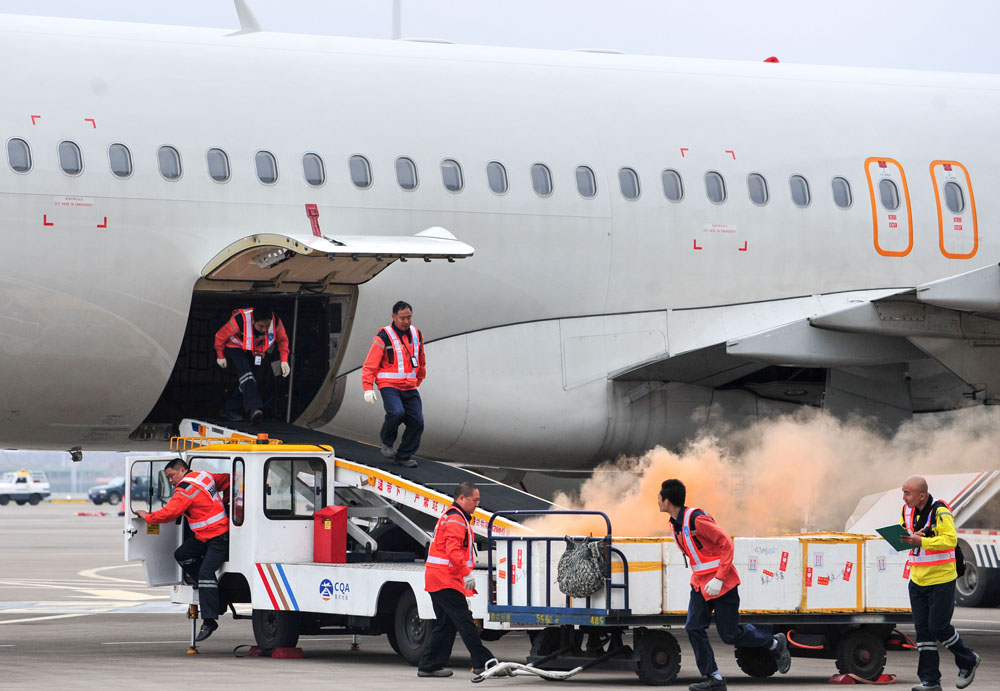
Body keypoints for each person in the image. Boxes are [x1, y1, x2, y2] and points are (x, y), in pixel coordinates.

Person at [658, 479, 790, 691]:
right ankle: (714, 678)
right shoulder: (674, 525)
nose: (657, 501)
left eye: (659, 497)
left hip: (723, 585)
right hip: (701, 586)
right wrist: (702, 581)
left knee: (729, 635)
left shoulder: (696, 520)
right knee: (693, 628)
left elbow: (726, 543)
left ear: (667, 500)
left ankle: (775, 643)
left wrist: (719, 578)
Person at [136, 458, 230, 642]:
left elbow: (168, 513)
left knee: (205, 573)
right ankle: (206, 588)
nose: (170, 480)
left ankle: (210, 620)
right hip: (205, 535)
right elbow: (229, 480)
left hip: (218, 537)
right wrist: (226, 503)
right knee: (182, 555)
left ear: (182, 471)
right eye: (168, 477)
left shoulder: (184, 490)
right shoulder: (204, 477)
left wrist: (147, 516)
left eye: (171, 475)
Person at [900, 475, 980, 691]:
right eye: (903, 492)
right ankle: (930, 681)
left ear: (922, 495)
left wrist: (922, 540)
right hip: (917, 578)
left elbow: (950, 540)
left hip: (941, 579)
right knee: (923, 633)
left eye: (907, 493)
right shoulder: (906, 510)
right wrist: (905, 537)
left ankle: (968, 659)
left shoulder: (940, 510)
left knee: (939, 627)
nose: (904, 497)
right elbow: (906, 533)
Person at [417, 482, 495, 678]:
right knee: (465, 622)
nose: (477, 504)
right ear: (462, 498)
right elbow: (453, 550)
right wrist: (466, 572)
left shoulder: (453, 516)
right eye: (474, 500)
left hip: (439, 578)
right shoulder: (456, 520)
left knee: (445, 624)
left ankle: (429, 665)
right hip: (446, 579)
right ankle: (483, 663)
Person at [361, 300, 425, 468]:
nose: (406, 322)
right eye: (402, 318)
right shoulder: (383, 336)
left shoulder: (417, 334)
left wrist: (419, 378)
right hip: (389, 385)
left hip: (410, 386)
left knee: (417, 421)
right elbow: (370, 364)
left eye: (409, 318)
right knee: (396, 412)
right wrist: (368, 388)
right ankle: (387, 442)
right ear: (394, 317)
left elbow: (421, 360)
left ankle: (404, 455)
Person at [214, 306, 290, 424]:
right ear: (253, 321)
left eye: (267, 326)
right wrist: (220, 355)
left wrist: (284, 360)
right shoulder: (239, 320)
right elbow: (220, 336)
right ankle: (255, 409)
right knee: (247, 375)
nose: (264, 329)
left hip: (256, 350)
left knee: (253, 380)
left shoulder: (276, 322)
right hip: (236, 347)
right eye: (261, 326)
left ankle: (229, 408)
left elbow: (283, 340)